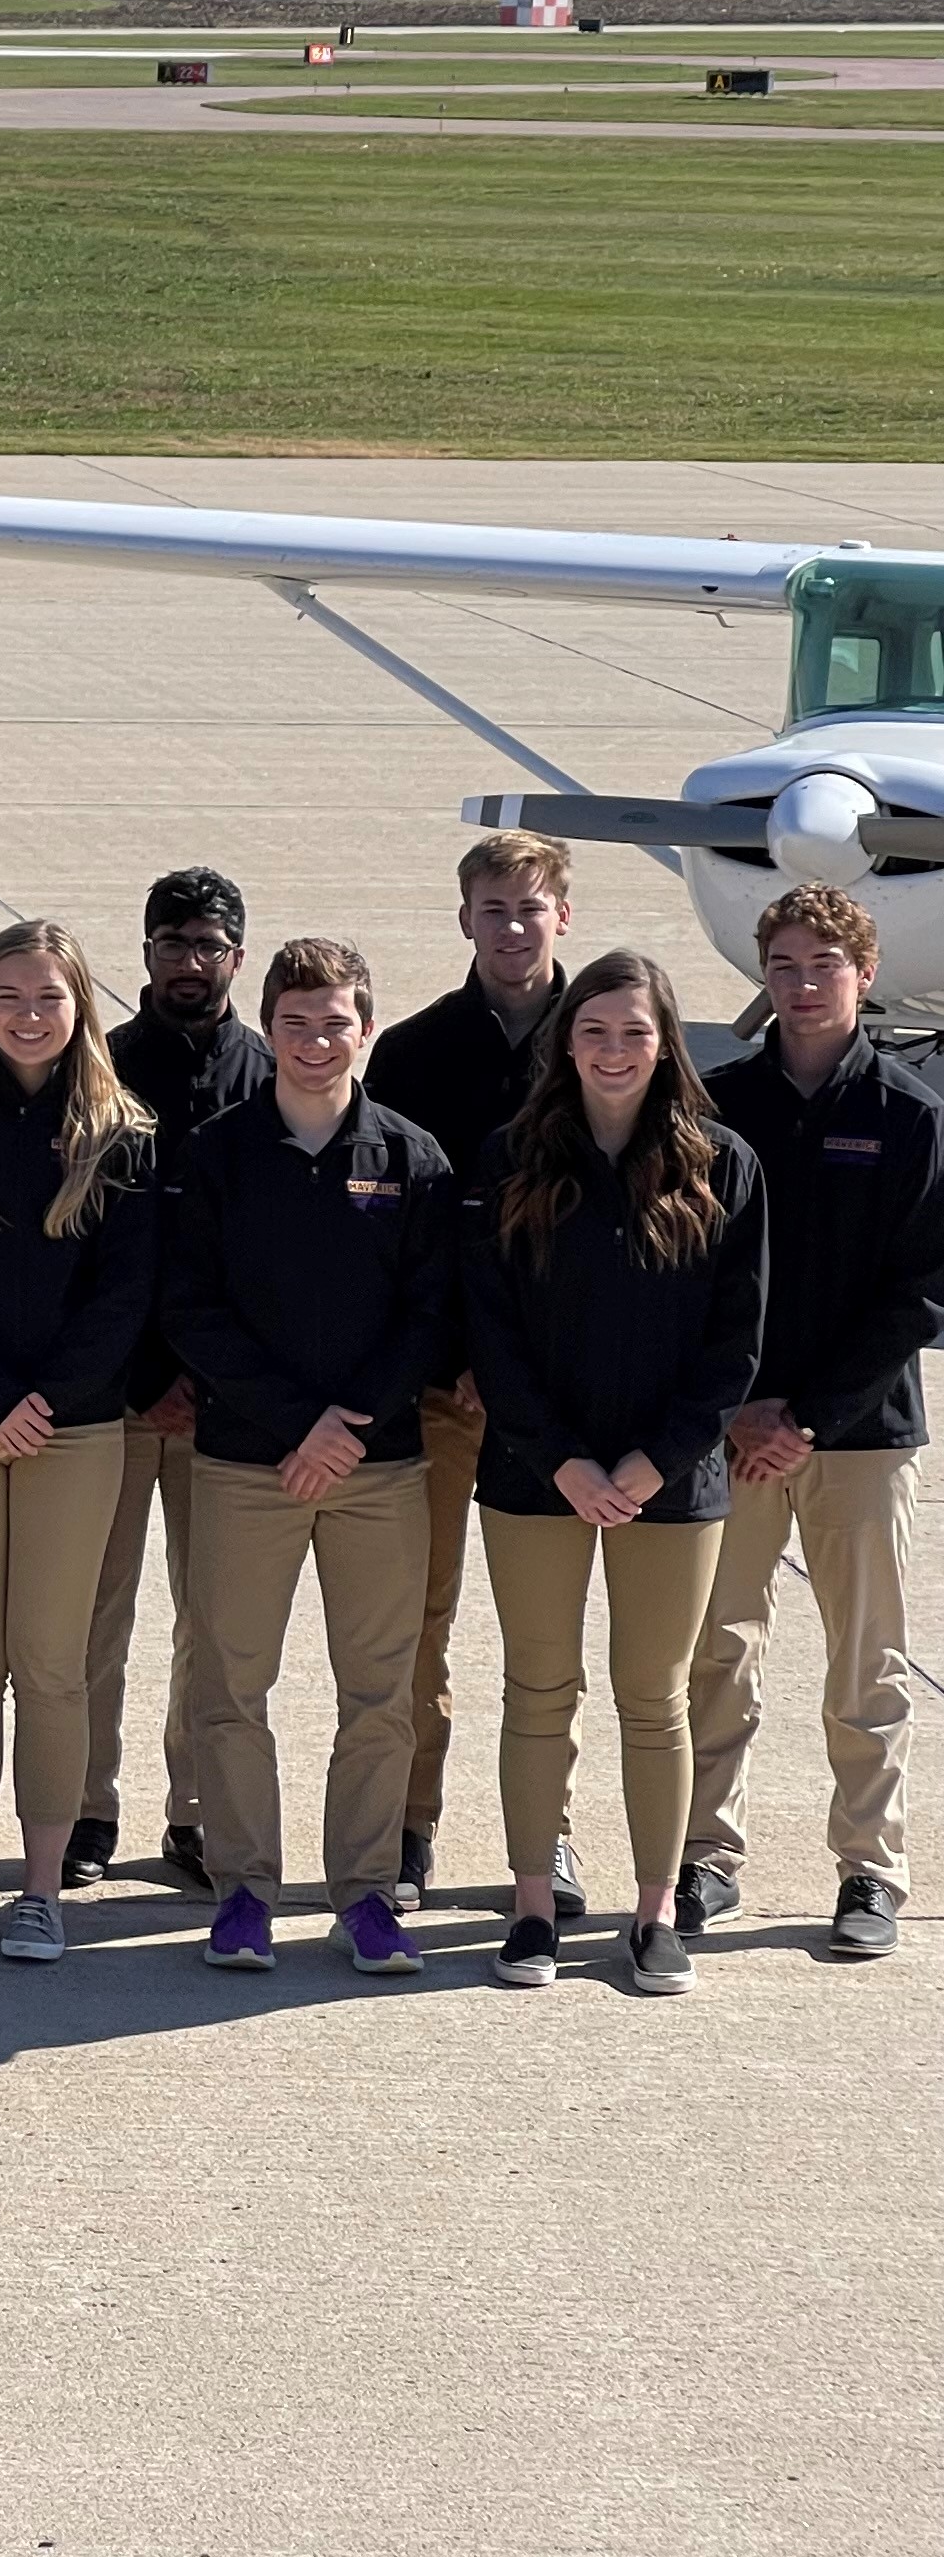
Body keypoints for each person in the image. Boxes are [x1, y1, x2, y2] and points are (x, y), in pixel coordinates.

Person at [463, 951, 765, 1996]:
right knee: (538, 1691)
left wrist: (645, 1463)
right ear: (566, 1043)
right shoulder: (510, 1160)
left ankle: (650, 1917)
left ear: (666, 1041)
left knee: (656, 1696)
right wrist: (562, 1460)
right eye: (593, 1030)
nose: (613, 1050)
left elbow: (734, 1348)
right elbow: (490, 1333)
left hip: (669, 1486)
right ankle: (534, 1911)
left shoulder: (723, 1165)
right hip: (534, 1474)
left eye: (635, 1031)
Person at [161, 936, 460, 1974]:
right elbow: (191, 1309)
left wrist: (352, 1424)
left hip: (380, 1470)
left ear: (365, 1031)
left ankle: (367, 1893)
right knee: (230, 1686)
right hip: (250, 1463)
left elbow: (429, 1317)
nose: (316, 1042)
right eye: (296, 1023)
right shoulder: (218, 1154)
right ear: (270, 1027)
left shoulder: (413, 1159)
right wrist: (297, 1423)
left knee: (380, 1691)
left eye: (336, 1023)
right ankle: (244, 1888)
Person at [0, 922, 159, 1966]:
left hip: (74, 1428)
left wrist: (41, 1400)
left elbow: (123, 1295)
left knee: (51, 1665)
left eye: (49, 997)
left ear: (80, 1007)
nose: (29, 1014)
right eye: (8, 996)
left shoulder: (122, 1133)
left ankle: (41, 1890)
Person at [687, 885, 939, 1961]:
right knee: (716, 1655)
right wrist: (741, 1409)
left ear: (863, 975)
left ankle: (869, 1871)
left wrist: (813, 1418)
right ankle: (704, 1855)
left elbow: (923, 1291)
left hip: (861, 1436)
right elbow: (695, 1268)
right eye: (783, 965)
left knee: (867, 1664)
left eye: (823, 965)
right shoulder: (719, 1102)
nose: (801, 984)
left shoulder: (910, 1115)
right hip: (733, 1434)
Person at [367, 827, 578, 1911]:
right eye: (491, 909)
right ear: (463, 920)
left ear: (562, 917)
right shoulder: (413, 1053)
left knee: (553, 1634)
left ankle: (556, 1831)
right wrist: (453, 1365)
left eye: (529, 909)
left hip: (564, 1400)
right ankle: (410, 1823)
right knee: (422, 1623)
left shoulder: (608, 1037)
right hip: (448, 1394)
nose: (510, 928)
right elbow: (405, 1236)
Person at [81, 867, 270, 1892]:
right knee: (93, 1616)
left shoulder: (267, 1074)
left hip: (226, 1407)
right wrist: (145, 1376)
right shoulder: (103, 1072)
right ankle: (84, 1808)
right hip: (115, 1397)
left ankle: (194, 1813)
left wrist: (206, 1377)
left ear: (237, 957)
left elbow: (266, 1257)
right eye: (171, 946)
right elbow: (95, 1249)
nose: (189, 965)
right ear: (144, 954)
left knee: (213, 1622)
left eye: (207, 946)